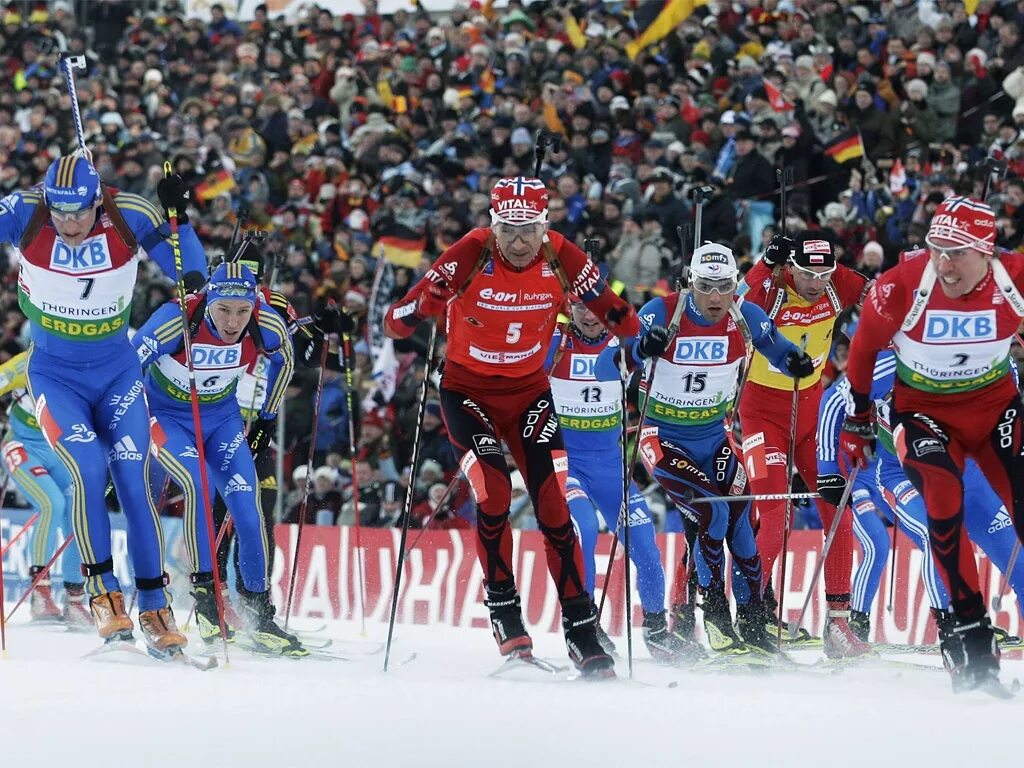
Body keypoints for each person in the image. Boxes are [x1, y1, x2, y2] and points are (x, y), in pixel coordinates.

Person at [384, 175, 640, 678]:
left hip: (528, 395)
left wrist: (640, 337)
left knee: (553, 507)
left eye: (529, 231)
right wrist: (424, 306)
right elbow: (397, 320)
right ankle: (505, 613)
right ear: (493, 225)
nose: (519, 243)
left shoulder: (560, 254)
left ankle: (581, 629)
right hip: (467, 394)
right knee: (494, 494)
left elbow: (613, 310)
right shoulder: (471, 251)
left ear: (545, 228)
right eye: (508, 230)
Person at [0, 153, 205, 653]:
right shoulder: (26, 212)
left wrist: (181, 222)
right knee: (88, 468)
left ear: (97, 200)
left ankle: (156, 608)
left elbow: (192, 275)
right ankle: (102, 594)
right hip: (54, 374)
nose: (68, 224)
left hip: (117, 373)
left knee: (133, 480)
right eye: (59, 211)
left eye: (79, 212)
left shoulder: (129, 213)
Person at [841, 198, 1024, 692]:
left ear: (988, 252)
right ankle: (971, 636)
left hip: (992, 410)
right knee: (942, 506)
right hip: (924, 415)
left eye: (958, 253)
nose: (944, 264)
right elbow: (859, 352)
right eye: (936, 249)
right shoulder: (902, 286)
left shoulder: (1015, 277)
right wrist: (859, 419)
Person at [616, 243, 812, 656]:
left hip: (715, 436)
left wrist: (796, 361)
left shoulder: (745, 316)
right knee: (713, 511)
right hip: (662, 439)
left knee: (743, 517)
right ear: (691, 283)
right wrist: (646, 346)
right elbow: (631, 351)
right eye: (706, 287)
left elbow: (778, 348)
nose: (716, 298)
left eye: (724, 287)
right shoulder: (663, 311)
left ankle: (754, 617)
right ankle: (715, 616)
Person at [133, 262, 306, 657]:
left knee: (248, 510)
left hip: (222, 420)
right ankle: (207, 601)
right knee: (197, 485)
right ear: (208, 300)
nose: (232, 322)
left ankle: (261, 617)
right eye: (224, 309)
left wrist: (266, 418)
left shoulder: (267, 324)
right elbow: (128, 367)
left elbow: (286, 364)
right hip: (168, 418)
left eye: (242, 312)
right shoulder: (175, 321)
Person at [545, 283, 697, 663]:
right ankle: (584, 622)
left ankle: (658, 628)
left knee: (645, 538)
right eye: (579, 306)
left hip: (610, 466)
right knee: (583, 529)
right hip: (566, 462)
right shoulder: (556, 341)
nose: (588, 314)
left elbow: (649, 356)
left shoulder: (621, 343)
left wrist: (654, 344)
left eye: (595, 307)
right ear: (570, 307)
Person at [738, 232, 871, 658]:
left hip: (812, 414)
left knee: (839, 509)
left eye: (824, 273)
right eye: (808, 274)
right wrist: (763, 262)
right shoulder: (771, 288)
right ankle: (751, 614)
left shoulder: (840, 284)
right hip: (763, 411)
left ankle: (838, 624)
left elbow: (882, 298)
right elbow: (734, 304)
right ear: (790, 266)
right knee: (777, 518)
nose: (816, 283)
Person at [0, 351, 89, 627]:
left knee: (79, 514)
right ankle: (40, 593)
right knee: (52, 504)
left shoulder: (80, 363)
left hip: (57, 451)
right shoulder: (24, 363)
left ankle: (75, 599)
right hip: (23, 446)